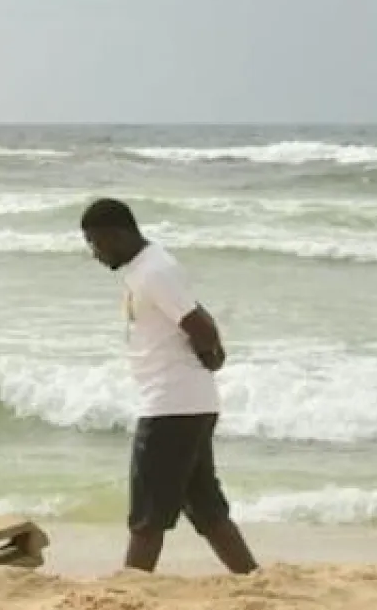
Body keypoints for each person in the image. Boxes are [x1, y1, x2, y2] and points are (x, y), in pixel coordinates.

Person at [78, 197, 258, 575]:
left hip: (171, 406)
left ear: (117, 234)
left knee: (147, 515)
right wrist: (210, 354)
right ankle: (251, 578)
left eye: (96, 242)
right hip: (186, 403)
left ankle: (130, 588)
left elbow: (201, 326)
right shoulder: (149, 267)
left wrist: (212, 351)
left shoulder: (154, 272)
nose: (94, 253)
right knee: (205, 507)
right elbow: (192, 313)